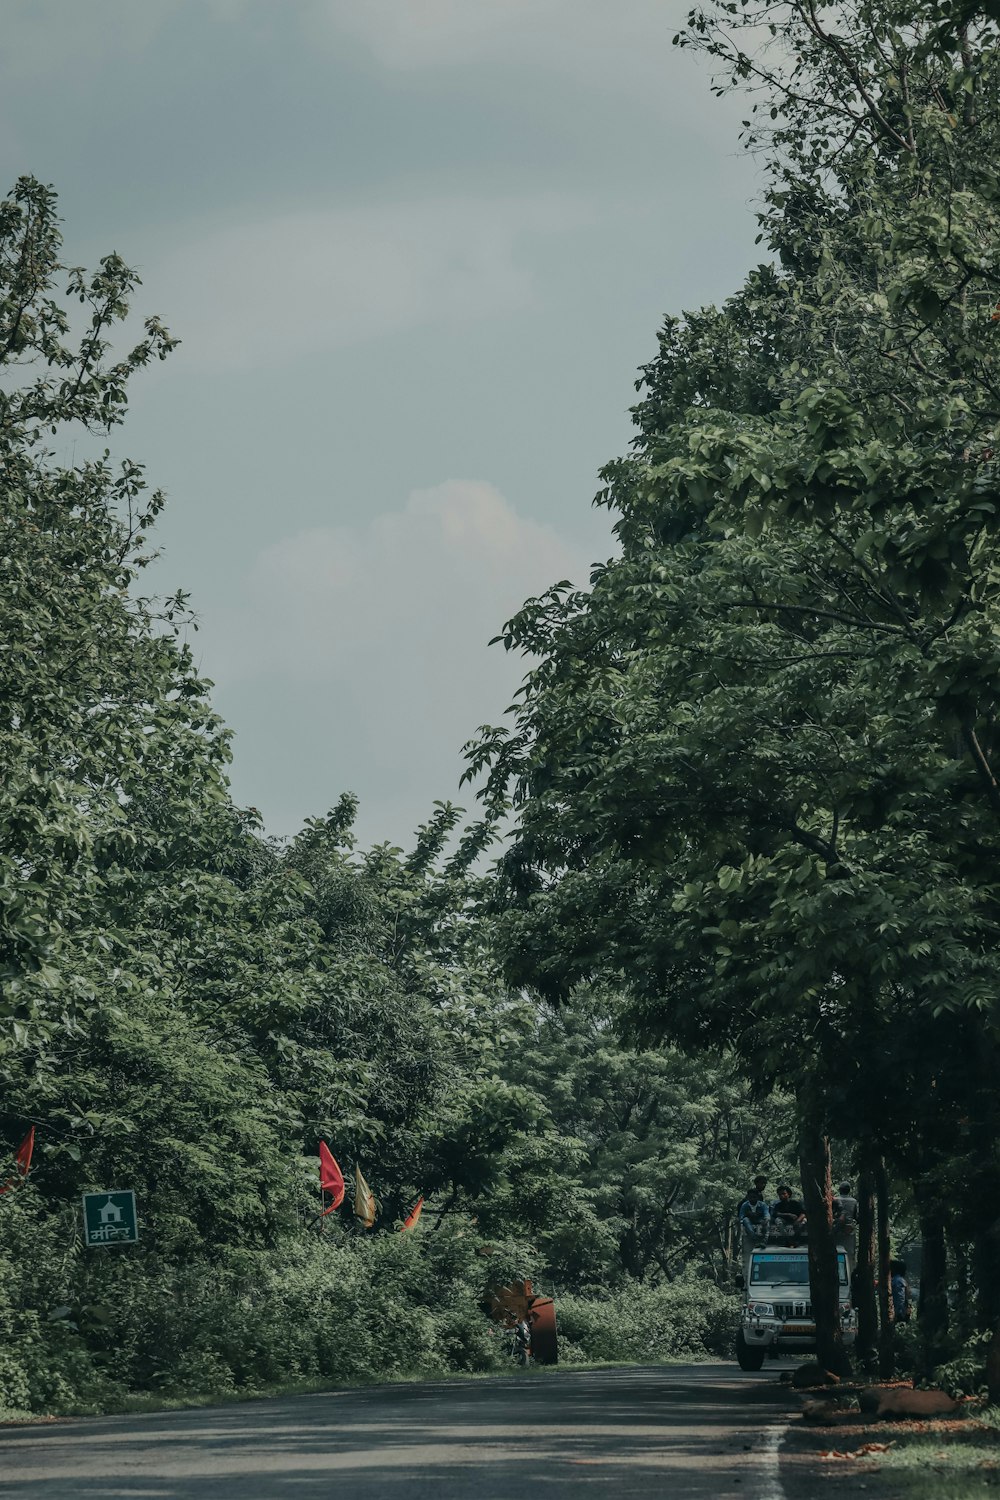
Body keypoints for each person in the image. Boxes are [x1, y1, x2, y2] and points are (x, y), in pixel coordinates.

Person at [890, 1260, 912, 1324]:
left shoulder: (898, 1281)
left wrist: (898, 1313)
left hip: (899, 1314)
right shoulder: (898, 1280)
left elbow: (900, 1299)